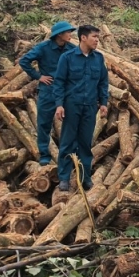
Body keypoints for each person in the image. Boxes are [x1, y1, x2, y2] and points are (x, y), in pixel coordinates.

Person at [53, 25, 109, 192]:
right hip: (72, 106)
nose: (97, 40)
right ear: (83, 38)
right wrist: (59, 105)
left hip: (90, 107)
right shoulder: (67, 58)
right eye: (94, 37)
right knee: (67, 141)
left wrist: (104, 102)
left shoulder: (98, 59)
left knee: (85, 143)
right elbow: (59, 82)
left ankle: (85, 178)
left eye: (98, 37)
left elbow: (103, 82)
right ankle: (63, 178)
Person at [18, 21, 75, 165]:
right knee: (44, 123)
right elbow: (24, 61)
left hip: (67, 90)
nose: (70, 34)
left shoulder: (72, 49)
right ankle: (44, 155)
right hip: (48, 90)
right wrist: (38, 76)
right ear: (60, 35)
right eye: (68, 32)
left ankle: (69, 154)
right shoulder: (43, 48)